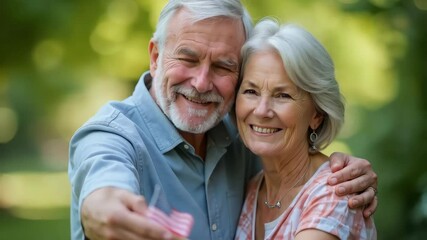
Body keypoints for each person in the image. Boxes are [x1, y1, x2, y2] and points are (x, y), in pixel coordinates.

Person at [68, 1, 378, 240]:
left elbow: (302, 170)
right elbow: (103, 180)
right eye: (188, 59)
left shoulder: (244, 137)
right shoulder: (111, 135)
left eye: (222, 66)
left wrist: (339, 171)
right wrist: (102, 209)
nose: (202, 83)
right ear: (155, 56)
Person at [233, 18, 377, 239]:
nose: (262, 111)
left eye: (283, 95)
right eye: (251, 91)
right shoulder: (252, 188)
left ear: (317, 115)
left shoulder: (335, 192)